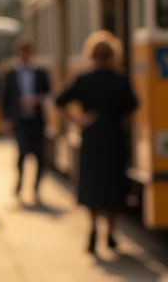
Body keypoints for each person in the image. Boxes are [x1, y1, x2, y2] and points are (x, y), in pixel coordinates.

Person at [54, 31, 138, 255]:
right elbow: (132, 108)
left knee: (92, 186)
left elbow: (59, 101)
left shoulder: (84, 79)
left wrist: (79, 121)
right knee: (113, 187)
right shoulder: (120, 79)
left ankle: (92, 228)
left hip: (91, 138)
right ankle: (110, 231)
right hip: (113, 138)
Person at [2, 37, 51, 204]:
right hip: (19, 119)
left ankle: (36, 188)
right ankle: (20, 183)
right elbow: (6, 97)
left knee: (39, 155)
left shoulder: (40, 72)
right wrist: (7, 119)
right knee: (22, 153)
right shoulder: (10, 73)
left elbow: (48, 93)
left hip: (36, 119)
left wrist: (36, 99)